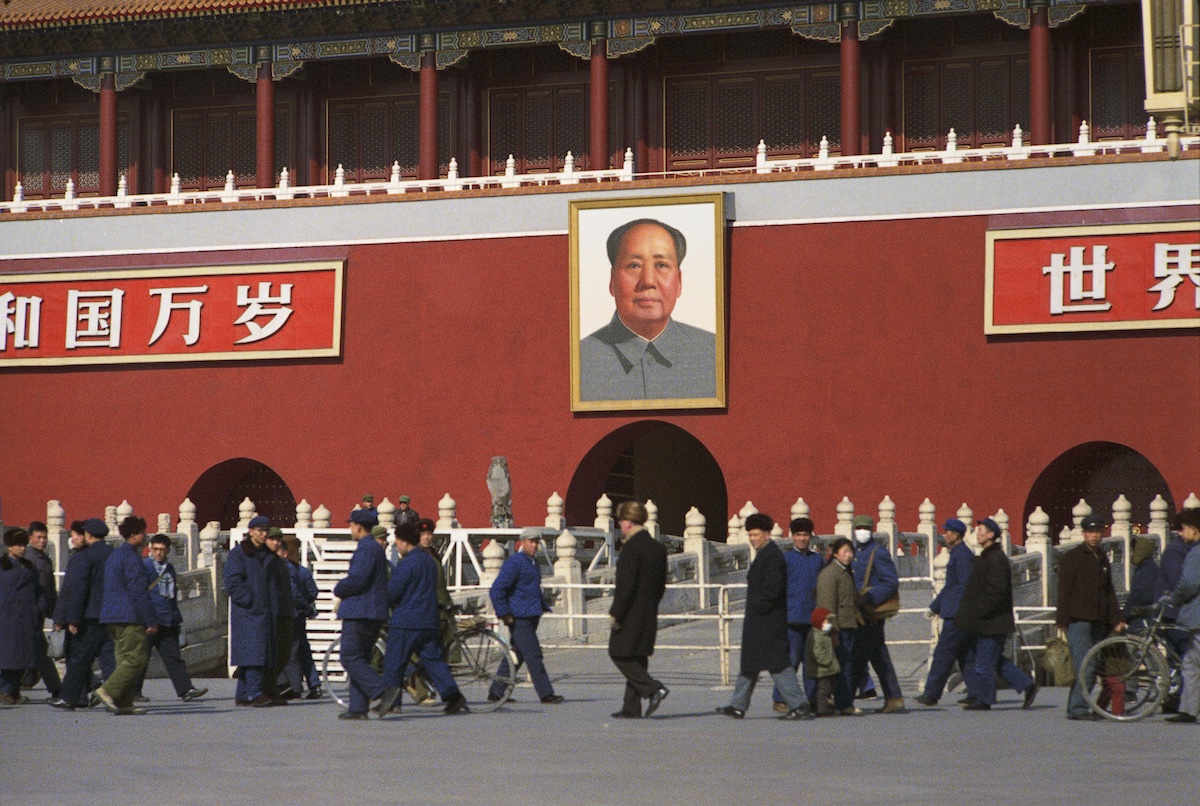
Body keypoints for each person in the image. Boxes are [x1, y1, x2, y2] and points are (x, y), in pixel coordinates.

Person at [579, 218, 717, 401]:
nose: (648, 281)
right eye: (634, 265)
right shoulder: (579, 360)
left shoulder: (714, 353)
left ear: (679, 282)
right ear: (612, 281)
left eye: (661, 265)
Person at [717, 513, 813, 720]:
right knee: (749, 665)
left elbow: (773, 589)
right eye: (750, 535)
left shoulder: (772, 556)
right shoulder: (764, 554)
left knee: (778, 665)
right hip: (759, 621)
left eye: (756, 534)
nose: (752, 539)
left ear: (767, 534)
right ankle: (737, 705)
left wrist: (759, 607)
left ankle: (799, 704)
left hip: (768, 622)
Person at [379, 522, 467, 718]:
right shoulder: (429, 562)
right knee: (434, 661)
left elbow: (394, 591)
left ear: (404, 542)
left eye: (397, 543)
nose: (397, 547)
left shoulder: (406, 564)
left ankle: (391, 702)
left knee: (395, 661)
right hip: (428, 621)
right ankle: (453, 696)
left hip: (406, 621)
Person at [953, 518, 1036, 711]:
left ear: (991, 534)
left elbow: (996, 592)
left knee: (984, 662)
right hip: (986, 620)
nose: (978, 533)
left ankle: (985, 699)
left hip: (992, 621)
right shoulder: (986, 557)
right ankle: (1026, 685)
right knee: (994, 659)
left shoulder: (996, 559)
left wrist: (978, 611)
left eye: (981, 530)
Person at [1056, 513, 1125, 720]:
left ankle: (1078, 706)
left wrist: (1117, 618)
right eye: (1090, 532)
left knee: (1093, 665)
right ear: (1084, 533)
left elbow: (1109, 591)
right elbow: (1064, 590)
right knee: (1083, 665)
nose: (1094, 536)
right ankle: (1077, 709)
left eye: (1098, 532)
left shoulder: (1102, 557)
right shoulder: (1072, 558)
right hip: (1078, 619)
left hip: (1099, 620)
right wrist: (1062, 621)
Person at [608, 500, 669, 718]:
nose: (620, 526)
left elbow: (625, 586)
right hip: (648, 611)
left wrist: (616, 612)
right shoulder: (657, 548)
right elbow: (661, 584)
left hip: (630, 613)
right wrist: (651, 604)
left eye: (621, 521)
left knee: (618, 653)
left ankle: (654, 689)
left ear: (628, 523)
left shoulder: (631, 548)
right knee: (638, 656)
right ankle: (631, 707)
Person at [488, 529, 563, 704]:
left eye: (537, 542)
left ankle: (496, 691)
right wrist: (504, 613)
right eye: (531, 541)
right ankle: (546, 693)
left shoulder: (532, 562)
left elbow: (531, 589)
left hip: (531, 614)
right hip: (518, 617)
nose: (534, 545)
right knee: (534, 654)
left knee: (517, 654)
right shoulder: (515, 562)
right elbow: (497, 590)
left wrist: (542, 606)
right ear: (522, 542)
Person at [94, 516, 159, 715]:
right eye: (143, 532)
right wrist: (150, 619)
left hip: (111, 615)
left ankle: (123, 702)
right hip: (129, 616)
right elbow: (139, 591)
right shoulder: (132, 558)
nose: (146, 536)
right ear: (134, 535)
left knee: (123, 658)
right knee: (136, 659)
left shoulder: (115, 556)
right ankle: (108, 690)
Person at [132, 534, 207, 703]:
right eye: (155, 549)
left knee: (173, 657)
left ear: (168, 551)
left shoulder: (169, 569)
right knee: (141, 658)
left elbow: (172, 596)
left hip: (167, 620)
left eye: (162, 550)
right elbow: (139, 594)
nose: (158, 553)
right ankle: (134, 691)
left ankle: (186, 690)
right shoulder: (144, 567)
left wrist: (177, 619)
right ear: (150, 548)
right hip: (148, 621)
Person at [332, 508, 391, 720]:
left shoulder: (366, 548)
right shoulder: (374, 548)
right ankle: (358, 707)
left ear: (358, 526)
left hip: (361, 612)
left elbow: (358, 580)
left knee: (349, 656)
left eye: (351, 525)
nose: (350, 528)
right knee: (361, 658)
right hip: (372, 612)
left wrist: (339, 588)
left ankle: (381, 689)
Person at [52, 518, 115, 710]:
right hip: (111, 615)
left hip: (89, 616)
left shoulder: (84, 557)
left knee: (78, 658)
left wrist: (72, 618)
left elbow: (78, 591)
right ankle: (117, 694)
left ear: (88, 535)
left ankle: (69, 698)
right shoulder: (113, 555)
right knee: (109, 658)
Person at [849, 514, 905, 714]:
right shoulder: (855, 552)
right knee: (877, 655)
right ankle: (894, 697)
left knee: (858, 654)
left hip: (871, 613)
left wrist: (870, 597)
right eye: (858, 528)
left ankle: (845, 699)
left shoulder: (877, 552)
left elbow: (890, 581)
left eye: (865, 528)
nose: (861, 531)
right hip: (858, 610)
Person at [225, 515, 281, 707]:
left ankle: (243, 694)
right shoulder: (239, 554)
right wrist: (251, 600)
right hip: (249, 612)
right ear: (250, 531)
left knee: (257, 653)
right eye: (259, 530)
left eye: (266, 531)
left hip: (266, 611)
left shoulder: (268, 554)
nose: (263, 534)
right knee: (254, 654)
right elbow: (232, 583)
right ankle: (255, 693)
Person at [915, 519, 973, 706]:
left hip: (956, 614)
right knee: (965, 655)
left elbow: (963, 586)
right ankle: (977, 693)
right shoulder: (958, 553)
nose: (945, 535)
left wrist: (952, 608)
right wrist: (934, 606)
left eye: (948, 532)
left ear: (956, 535)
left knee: (943, 654)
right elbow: (950, 586)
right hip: (956, 612)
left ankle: (931, 694)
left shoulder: (962, 555)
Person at [771, 517, 823, 712]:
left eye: (805, 535)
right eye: (798, 535)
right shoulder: (785, 560)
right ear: (792, 536)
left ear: (811, 537)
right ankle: (780, 698)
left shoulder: (817, 560)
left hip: (812, 618)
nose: (802, 539)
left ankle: (811, 700)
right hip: (790, 618)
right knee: (791, 660)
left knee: (812, 662)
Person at [1155, 513, 1198, 713]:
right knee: (1188, 663)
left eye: (1184, 528)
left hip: (1193, 616)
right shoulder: (1182, 551)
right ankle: (1186, 709)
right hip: (1187, 616)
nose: (1181, 533)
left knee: (1190, 662)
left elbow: (1187, 583)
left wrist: (1174, 598)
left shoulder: (1194, 552)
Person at [815, 536, 861, 715]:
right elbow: (827, 606)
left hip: (848, 625)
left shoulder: (845, 572)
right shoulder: (830, 574)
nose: (849, 556)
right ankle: (844, 704)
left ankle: (840, 701)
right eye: (845, 552)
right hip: (837, 628)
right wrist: (831, 630)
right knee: (842, 667)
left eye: (851, 552)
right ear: (835, 554)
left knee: (844, 666)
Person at [277, 534, 322, 699]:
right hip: (300, 616)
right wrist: (307, 606)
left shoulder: (285, 568)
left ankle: (294, 687)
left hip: (290, 614)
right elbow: (313, 592)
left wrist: (302, 605)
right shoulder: (302, 570)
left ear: (285, 552)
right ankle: (314, 684)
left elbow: (293, 594)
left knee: (290, 652)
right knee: (303, 650)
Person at [0, 528, 41, 705]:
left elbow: (38, 592)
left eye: (24, 544)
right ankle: (4, 690)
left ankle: (13, 690)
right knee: (7, 657)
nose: (22, 548)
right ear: (9, 547)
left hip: (25, 617)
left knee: (22, 657)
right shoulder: (2, 566)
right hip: (6, 617)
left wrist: (39, 608)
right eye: (18, 545)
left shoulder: (30, 567)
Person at [23, 520, 62, 701]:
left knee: (30, 649)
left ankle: (22, 682)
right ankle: (56, 688)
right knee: (40, 651)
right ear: (30, 538)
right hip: (29, 612)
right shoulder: (28, 559)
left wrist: (53, 611)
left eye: (45, 537)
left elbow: (49, 588)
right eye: (38, 537)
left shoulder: (44, 558)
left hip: (39, 611)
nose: (42, 540)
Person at [263, 527, 295, 703]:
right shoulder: (264, 560)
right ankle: (269, 690)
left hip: (285, 611)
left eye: (278, 540)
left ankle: (270, 688)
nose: (275, 543)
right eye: (272, 539)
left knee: (284, 654)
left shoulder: (279, 561)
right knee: (272, 654)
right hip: (271, 613)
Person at [805, 607, 841, 717]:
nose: (829, 624)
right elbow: (817, 653)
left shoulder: (826, 633)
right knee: (823, 690)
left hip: (828, 668)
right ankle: (822, 709)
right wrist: (827, 660)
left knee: (829, 688)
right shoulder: (815, 635)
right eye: (827, 621)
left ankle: (823, 706)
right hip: (821, 669)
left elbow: (835, 645)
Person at [1124, 536, 1158, 631]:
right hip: (1141, 616)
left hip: (1143, 618)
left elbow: (1141, 596)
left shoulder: (1148, 571)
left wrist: (1127, 612)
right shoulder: (1144, 569)